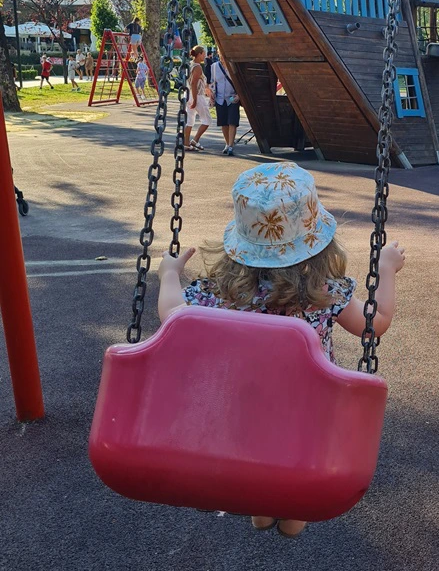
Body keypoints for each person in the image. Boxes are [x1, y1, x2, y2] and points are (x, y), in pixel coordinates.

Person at [156, 161, 405, 538]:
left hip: (244, 404)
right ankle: (293, 515)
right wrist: (386, 269)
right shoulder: (325, 295)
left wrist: (170, 275)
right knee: (297, 455)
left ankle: (260, 505)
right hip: (310, 407)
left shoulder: (222, 294)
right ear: (319, 243)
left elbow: (172, 314)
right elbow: (377, 323)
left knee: (259, 451)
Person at [211, 53, 240, 155]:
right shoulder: (214, 67)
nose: (223, 58)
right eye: (221, 55)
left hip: (232, 98)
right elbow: (213, 83)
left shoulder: (233, 66)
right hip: (220, 98)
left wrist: (239, 95)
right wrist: (212, 95)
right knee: (223, 123)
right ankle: (227, 144)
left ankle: (231, 146)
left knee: (232, 121)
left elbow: (240, 82)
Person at [184, 45, 212, 151]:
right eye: (203, 54)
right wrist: (195, 99)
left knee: (190, 120)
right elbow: (194, 83)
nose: (204, 56)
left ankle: (186, 143)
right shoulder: (198, 67)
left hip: (188, 94)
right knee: (207, 120)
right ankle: (195, 140)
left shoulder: (191, 65)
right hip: (196, 95)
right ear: (199, 54)